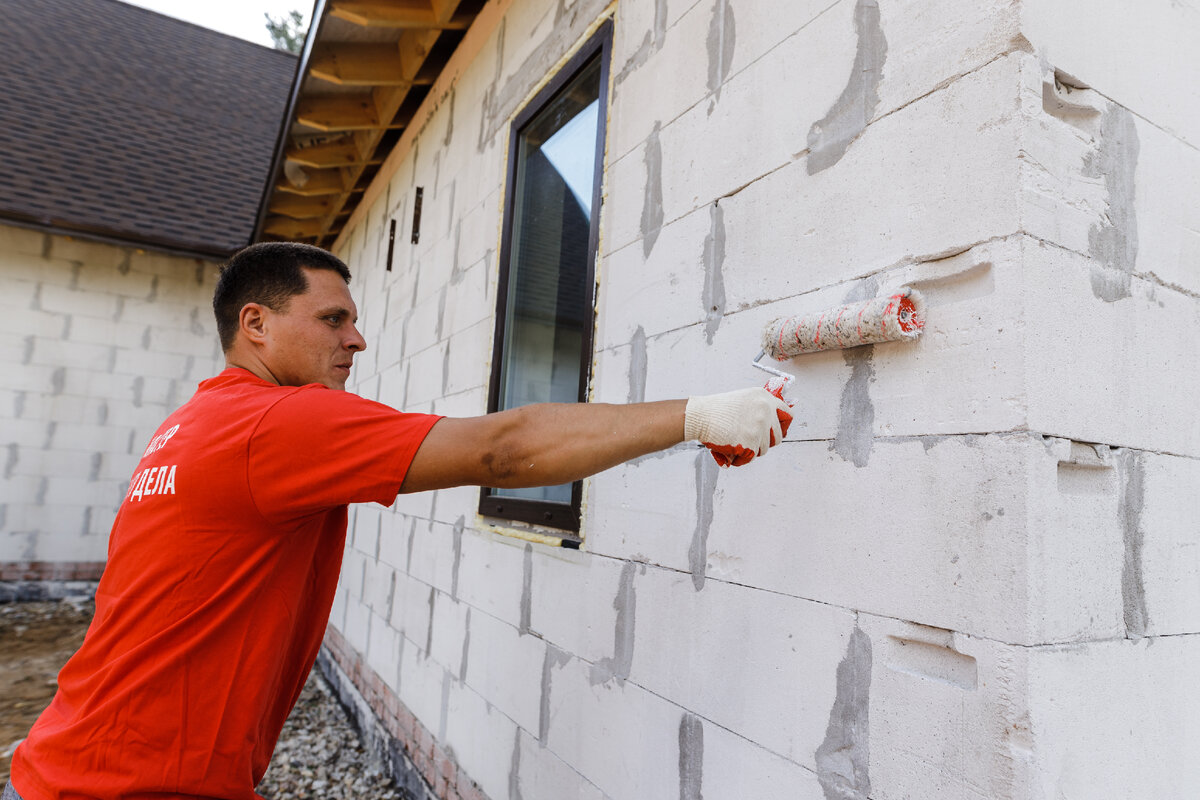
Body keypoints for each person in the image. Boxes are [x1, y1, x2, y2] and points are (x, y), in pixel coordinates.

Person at [6, 242, 791, 800]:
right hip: (134, 786)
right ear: (256, 324)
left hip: (72, 762)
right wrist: (701, 415)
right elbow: (503, 453)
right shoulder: (278, 424)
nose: (357, 338)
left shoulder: (191, 424)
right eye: (332, 318)